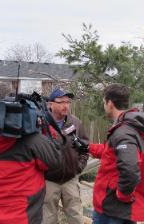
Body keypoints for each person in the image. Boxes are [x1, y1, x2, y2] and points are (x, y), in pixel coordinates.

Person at [0, 82, 63, 224]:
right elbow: (55, 161)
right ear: (13, 103)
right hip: (23, 218)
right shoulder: (30, 138)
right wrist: (41, 126)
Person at [88, 83, 144, 224]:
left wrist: (123, 194)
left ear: (110, 103)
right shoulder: (127, 126)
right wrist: (88, 147)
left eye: (104, 102)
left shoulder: (124, 132)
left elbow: (130, 169)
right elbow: (111, 153)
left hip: (113, 209)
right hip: (116, 209)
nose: (104, 106)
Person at [42, 88, 89, 224]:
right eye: (61, 102)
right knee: (48, 218)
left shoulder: (75, 123)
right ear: (50, 104)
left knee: (76, 217)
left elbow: (85, 149)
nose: (65, 105)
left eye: (68, 102)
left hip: (70, 179)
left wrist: (77, 168)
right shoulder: (42, 123)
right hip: (49, 180)